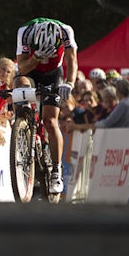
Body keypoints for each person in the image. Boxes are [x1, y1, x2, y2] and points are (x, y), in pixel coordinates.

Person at [16, 17, 78, 195]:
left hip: (53, 74)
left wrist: (70, 83)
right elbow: (22, 68)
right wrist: (35, 57)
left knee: (50, 121)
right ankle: (23, 123)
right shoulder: (25, 31)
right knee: (19, 82)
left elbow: (72, 60)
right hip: (31, 71)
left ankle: (57, 172)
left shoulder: (66, 30)